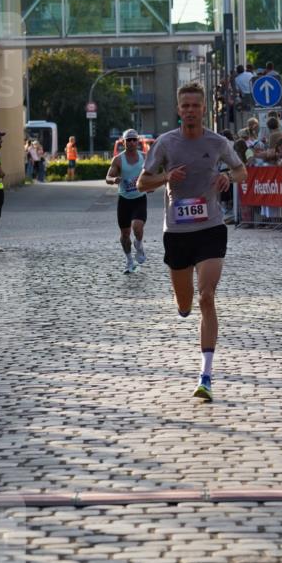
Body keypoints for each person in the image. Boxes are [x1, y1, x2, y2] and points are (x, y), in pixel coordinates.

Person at [137, 81, 246, 402]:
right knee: (185, 305)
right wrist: (165, 178)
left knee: (207, 297)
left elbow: (243, 172)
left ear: (203, 108)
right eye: (184, 106)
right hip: (177, 233)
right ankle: (183, 306)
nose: (190, 111)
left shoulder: (217, 142)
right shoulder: (165, 143)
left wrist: (228, 176)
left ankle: (206, 376)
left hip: (211, 228)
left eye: (195, 106)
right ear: (178, 109)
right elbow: (142, 183)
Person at [106, 129, 149, 274]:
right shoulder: (118, 159)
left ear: (137, 141)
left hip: (139, 199)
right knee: (125, 234)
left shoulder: (144, 157)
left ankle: (139, 245)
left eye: (133, 140)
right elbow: (108, 177)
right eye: (128, 140)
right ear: (123, 142)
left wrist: (150, 185)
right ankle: (129, 261)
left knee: (137, 228)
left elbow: (152, 174)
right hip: (124, 201)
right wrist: (114, 180)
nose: (131, 142)